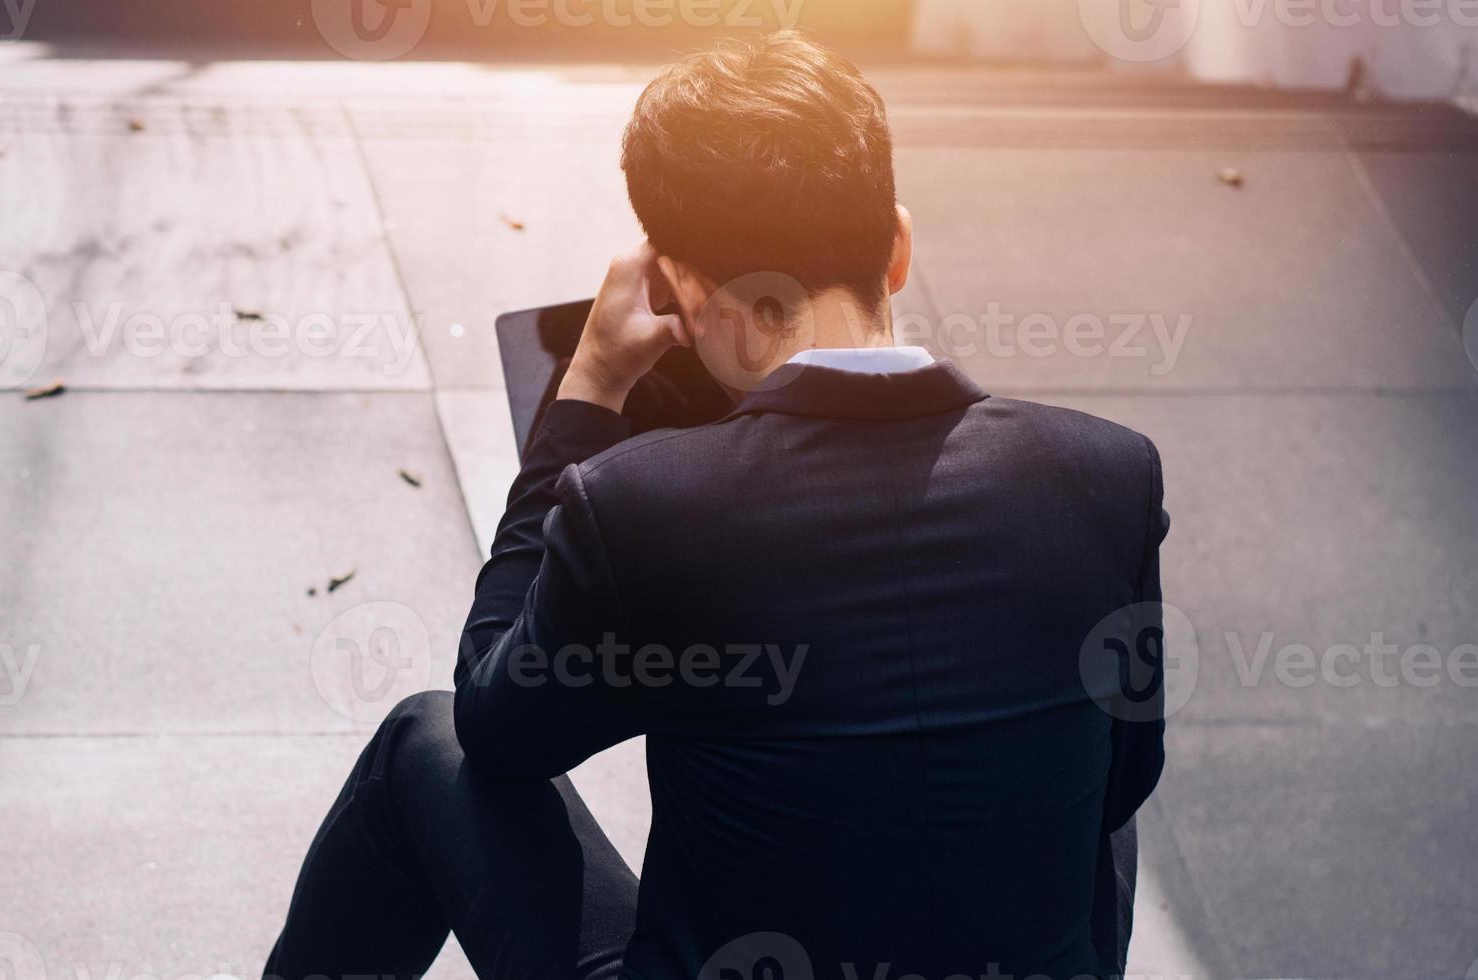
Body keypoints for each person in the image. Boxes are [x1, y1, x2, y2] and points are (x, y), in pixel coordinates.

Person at [263, 31, 1170, 980]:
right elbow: (1124, 785)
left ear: (684, 296)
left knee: (431, 732)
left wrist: (587, 395)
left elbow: (498, 729)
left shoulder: (646, 503)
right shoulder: (1105, 473)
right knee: (1088, 747)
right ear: (897, 247)